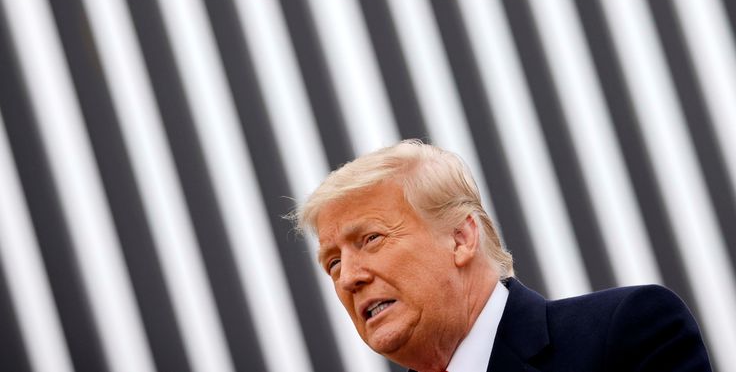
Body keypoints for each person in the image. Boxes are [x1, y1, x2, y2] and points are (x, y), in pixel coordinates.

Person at [293, 140, 712, 372]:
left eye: (370, 239)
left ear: (461, 239)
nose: (348, 277)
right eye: (332, 263)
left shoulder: (628, 331)